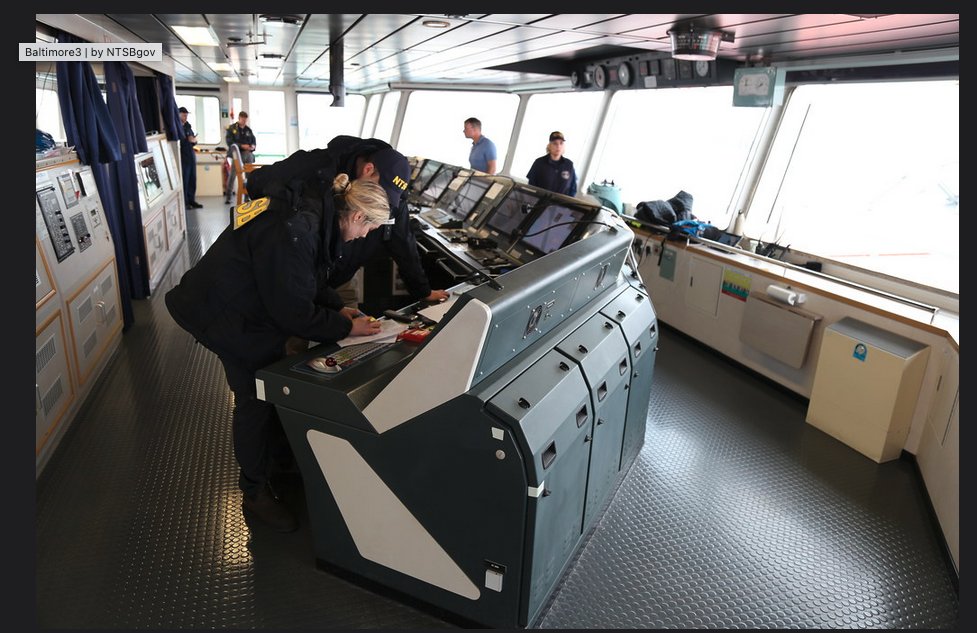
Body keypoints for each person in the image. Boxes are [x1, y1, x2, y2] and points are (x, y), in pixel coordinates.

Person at [165, 164, 389, 533]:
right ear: (359, 215)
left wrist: (336, 307)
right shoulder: (297, 229)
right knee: (254, 396)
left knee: (270, 384)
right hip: (222, 311)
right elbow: (294, 312)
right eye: (367, 229)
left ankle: (278, 461)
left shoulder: (315, 212)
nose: (362, 238)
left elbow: (306, 277)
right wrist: (347, 326)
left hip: (240, 300)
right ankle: (254, 492)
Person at [247, 135, 450, 304]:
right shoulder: (318, 166)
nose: (384, 201)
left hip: (340, 279)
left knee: (349, 333)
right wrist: (294, 209)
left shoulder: (392, 196)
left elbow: (403, 241)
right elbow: (257, 183)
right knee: (296, 335)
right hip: (299, 271)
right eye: (383, 190)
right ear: (368, 169)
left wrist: (423, 291)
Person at [526, 131, 577, 197]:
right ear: (549, 146)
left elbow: (573, 189)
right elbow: (531, 186)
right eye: (555, 143)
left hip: (560, 206)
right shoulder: (539, 163)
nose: (558, 146)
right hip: (540, 204)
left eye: (561, 143)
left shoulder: (569, 165)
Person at [225, 111, 256, 203]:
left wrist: (253, 146)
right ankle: (228, 196)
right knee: (233, 174)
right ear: (239, 118)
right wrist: (242, 145)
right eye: (243, 120)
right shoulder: (232, 129)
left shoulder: (248, 130)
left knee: (249, 175)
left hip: (248, 154)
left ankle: (247, 196)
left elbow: (253, 141)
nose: (244, 122)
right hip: (237, 155)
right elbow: (230, 142)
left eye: (245, 120)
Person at [178, 107, 203, 209]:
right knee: (185, 179)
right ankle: (185, 202)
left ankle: (191, 200)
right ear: (178, 114)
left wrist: (194, 140)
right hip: (183, 156)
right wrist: (187, 140)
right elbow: (177, 142)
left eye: (186, 115)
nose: (185, 117)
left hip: (191, 154)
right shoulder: (177, 127)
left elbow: (193, 139)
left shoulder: (188, 126)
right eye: (184, 115)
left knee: (193, 179)